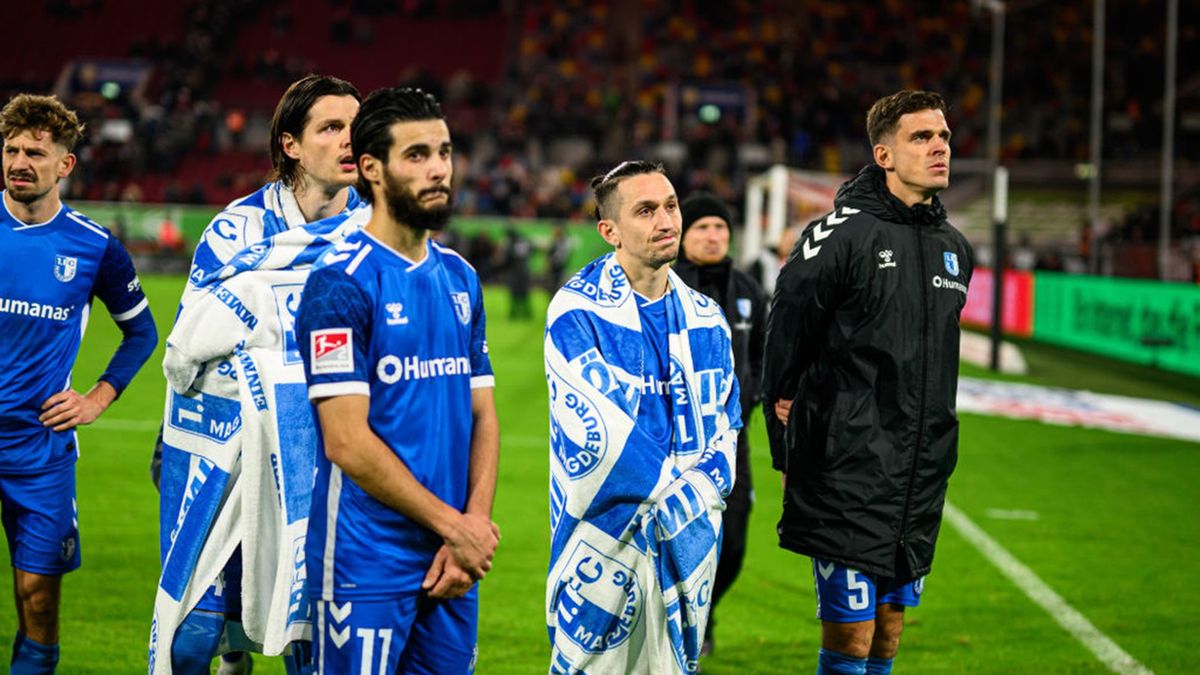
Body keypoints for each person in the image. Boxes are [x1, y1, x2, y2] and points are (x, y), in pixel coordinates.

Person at [154, 73, 362, 675]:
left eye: (357, 126)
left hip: (332, 462)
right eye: (331, 127)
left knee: (317, 641)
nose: (351, 139)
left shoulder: (378, 235)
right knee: (192, 636)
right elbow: (189, 346)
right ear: (291, 144)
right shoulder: (235, 231)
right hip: (231, 456)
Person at [762, 90, 974, 675]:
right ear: (883, 154)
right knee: (850, 639)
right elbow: (781, 352)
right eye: (921, 137)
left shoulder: (955, 249)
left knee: (887, 634)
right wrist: (788, 456)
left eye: (944, 137)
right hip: (845, 470)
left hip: (920, 473)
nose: (939, 148)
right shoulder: (837, 236)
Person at [296, 86, 500, 674]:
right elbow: (345, 440)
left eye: (444, 151)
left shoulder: (461, 278)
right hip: (365, 560)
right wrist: (454, 526)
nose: (438, 168)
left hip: (451, 557)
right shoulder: (340, 284)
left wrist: (472, 531)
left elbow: (482, 414)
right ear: (371, 169)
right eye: (416, 155)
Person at [544, 161, 742, 674]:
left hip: (690, 538)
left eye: (671, 206)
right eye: (646, 210)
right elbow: (599, 441)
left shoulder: (707, 317)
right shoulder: (576, 312)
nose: (667, 220)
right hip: (606, 543)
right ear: (609, 230)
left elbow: (727, 427)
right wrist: (689, 491)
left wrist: (695, 497)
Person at [0, 93, 157, 673]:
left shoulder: (94, 248)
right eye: (11, 149)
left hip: (40, 450)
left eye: (35, 153)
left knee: (37, 596)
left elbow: (141, 333)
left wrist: (96, 398)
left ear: (64, 164)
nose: (19, 161)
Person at [672, 192, 767, 658]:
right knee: (673, 540)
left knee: (732, 545)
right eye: (702, 228)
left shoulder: (748, 290)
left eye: (720, 229)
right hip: (673, 440)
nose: (713, 237)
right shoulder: (664, 286)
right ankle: (676, 630)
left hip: (733, 439)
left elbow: (764, 356)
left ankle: (704, 615)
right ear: (684, 235)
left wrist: (758, 393)